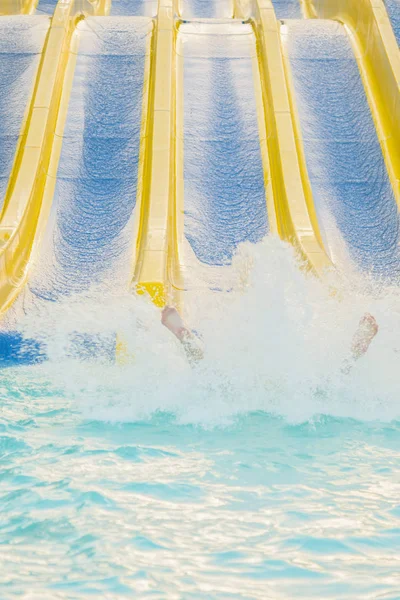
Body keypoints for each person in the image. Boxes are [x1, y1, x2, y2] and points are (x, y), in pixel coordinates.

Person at [162, 306, 379, 368]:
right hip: (286, 371)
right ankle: (354, 351)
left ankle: (186, 337)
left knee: (210, 378)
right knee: (326, 386)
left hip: (249, 370)